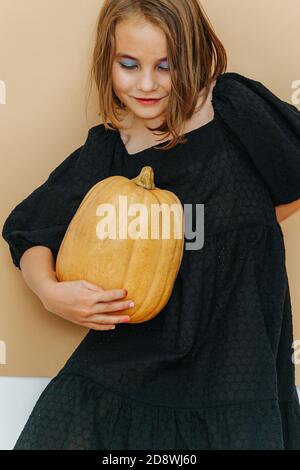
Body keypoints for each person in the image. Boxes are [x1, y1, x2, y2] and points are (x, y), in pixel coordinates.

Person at [2, 0, 300, 450]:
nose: (147, 83)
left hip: (237, 368)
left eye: (167, 65)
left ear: (195, 57)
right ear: (108, 62)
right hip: (130, 364)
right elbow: (31, 230)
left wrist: (240, 230)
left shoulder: (235, 111)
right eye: (129, 64)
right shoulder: (109, 152)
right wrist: (51, 293)